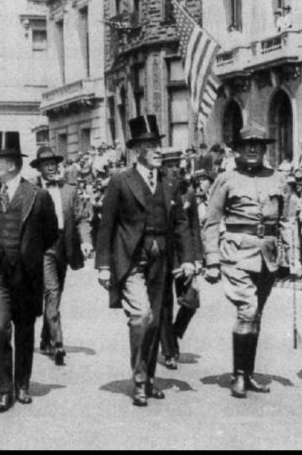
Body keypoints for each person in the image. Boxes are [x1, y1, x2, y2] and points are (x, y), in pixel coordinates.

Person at [95, 115, 195, 407]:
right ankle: (139, 380)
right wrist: (103, 265)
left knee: (155, 321)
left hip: (162, 261)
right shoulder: (120, 181)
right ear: (137, 149)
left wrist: (187, 258)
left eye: (158, 144)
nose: (157, 150)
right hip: (131, 259)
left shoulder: (169, 182)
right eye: (150, 145)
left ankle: (149, 379)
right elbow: (107, 225)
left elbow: (180, 224)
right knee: (142, 316)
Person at [203, 123, 301, 398]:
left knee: (256, 314)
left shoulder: (278, 179)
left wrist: (293, 257)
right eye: (248, 145)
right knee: (247, 309)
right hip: (236, 252)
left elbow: (288, 220)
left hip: (267, 255)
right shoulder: (227, 179)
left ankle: (248, 373)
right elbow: (211, 221)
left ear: (265, 149)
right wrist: (211, 259)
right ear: (237, 150)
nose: (253, 149)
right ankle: (238, 375)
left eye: (258, 145)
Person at [0, 132, 59, 412]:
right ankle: (5, 390)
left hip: (26, 277)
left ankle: (23, 385)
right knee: (0, 329)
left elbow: (51, 233)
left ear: (12, 165)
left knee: (25, 331)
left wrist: (29, 256)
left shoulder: (38, 196)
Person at [30, 146, 92, 366]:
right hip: (43, 248)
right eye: (46, 165)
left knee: (56, 294)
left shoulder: (69, 190)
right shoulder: (32, 190)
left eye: (53, 164)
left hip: (64, 246)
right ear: (39, 168)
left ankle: (46, 337)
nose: (51, 168)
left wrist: (85, 241)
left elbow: (81, 217)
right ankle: (58, 344)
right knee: (52, 292)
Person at [157, 148, 202, 371]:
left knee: (191, 301)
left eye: (177, 164)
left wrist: (196, 257)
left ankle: (174, 334)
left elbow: (193, 227)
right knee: (164, 305)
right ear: (161, 168)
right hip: (165, 256)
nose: (175, 169)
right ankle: (169, 351)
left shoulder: (188, 192)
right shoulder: (155, 191)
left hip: (184, 256)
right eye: (170, 165)